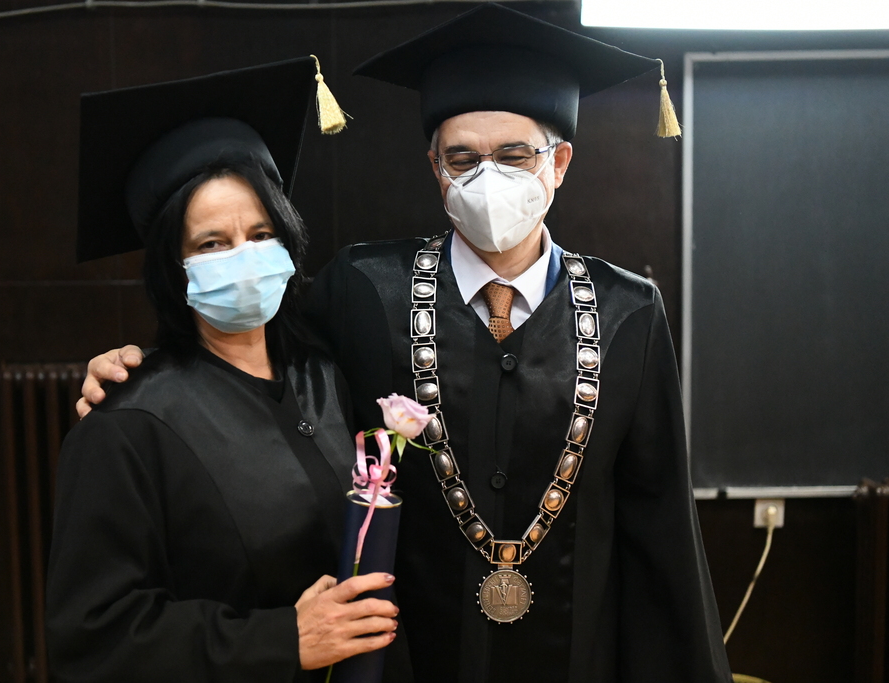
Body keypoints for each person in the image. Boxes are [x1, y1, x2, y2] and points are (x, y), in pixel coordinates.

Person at [78, 5, 732, 682]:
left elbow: (660, 533)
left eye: (515, 156)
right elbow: (249, 352)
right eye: (462, 158)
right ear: (435, 167)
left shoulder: (628, 313)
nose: (488, 178)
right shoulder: (365, 290)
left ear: (559, 161)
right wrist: (142, 369)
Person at [46, 57, 405, 683]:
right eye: (211, 243)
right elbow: (93, 638)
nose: (245, 258)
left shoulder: (322, 376)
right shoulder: (127, 424)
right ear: (173, 267)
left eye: (262, 234)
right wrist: (281, 640)